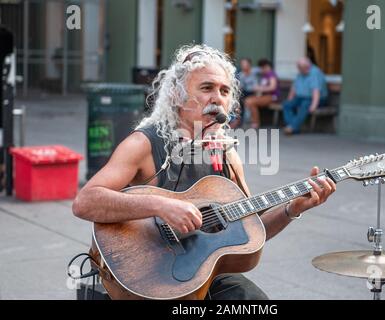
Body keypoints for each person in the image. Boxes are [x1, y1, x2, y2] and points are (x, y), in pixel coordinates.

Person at [72, 44, 336, 300]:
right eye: (207, 88)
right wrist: (160, 206)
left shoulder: (227, 156)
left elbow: (251, 232)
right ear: (177, 95)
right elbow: (85, 202)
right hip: (146, 278)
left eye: (224, 91)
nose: (217, 98)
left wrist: (292, 209)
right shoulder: (143, 144)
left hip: (206, 274)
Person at [282, 57, 328, 135]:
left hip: (317, 99)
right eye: (299, 68)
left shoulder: (315, 73)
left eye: (303, 68)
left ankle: (292, 127)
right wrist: (290, 99)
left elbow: (316, 91)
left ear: (308, 66)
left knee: (305, 104)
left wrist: (314, 105)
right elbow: (294, 87)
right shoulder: (300, 73)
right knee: (287, 104)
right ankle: (293, 126)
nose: (300, 70)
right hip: (301, 97)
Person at [244, 59, 280, 129]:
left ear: (267, 67)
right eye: (261, 68)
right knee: (249, 101)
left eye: (262, 68)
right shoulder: (264, 75)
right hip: (264, 96)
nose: (261, 69)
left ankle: (255, 123)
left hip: (272, 97)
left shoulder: (271, 74)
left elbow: (272, 87)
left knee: (250, 101)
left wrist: (260, 88)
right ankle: (253, 122)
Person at [236, 58, 259, 126]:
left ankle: (247, 121)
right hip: (246, 92)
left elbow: (257, 86)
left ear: (249, 64)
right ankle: (238, 120)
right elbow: (241, 87)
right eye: (242, 64)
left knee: (246, 100)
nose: (243, 65)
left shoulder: (255, 72)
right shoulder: (241, 74)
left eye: (245, 64)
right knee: (237, 99)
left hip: (256, 92)